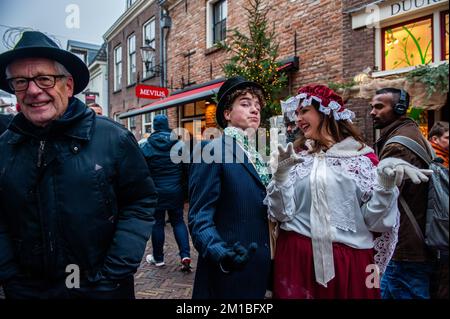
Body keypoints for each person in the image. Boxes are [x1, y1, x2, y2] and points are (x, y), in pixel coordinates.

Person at [0, 31, 157, 299]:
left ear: (68, 86)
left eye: (44, 79)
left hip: (102, 289)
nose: (34, 90)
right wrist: (10, 275)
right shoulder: (4, 147)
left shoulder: (113, 138)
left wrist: (113, 273)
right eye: (21, 81)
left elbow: (140, 200)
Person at [265, 84, 431, 299]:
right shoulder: (296, 157)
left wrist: (385, 187)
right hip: (297, 260)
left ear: (326, 112)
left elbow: (377, 223)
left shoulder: (362, 159)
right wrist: (281, 177)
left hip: (349, 264)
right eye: (296, 113)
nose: (297, 119)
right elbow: (281, 214)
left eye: (304, 111)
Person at [188, 76, 272, 299]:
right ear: (227, 114)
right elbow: (199, 218)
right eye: (245, 104)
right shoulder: (210, 149)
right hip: (227, 272)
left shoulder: (259, 156)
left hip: (259, 267)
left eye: (257, 105)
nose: (254, 110)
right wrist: (221, 253)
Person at [370, 87, 435, 299]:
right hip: (418, 241)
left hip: (405, 245)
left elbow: (387, 198)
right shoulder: (411, 133)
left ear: (398, 108)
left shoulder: (398, 144)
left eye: (379, 106)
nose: (372, 112)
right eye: (372, 107)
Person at [140, 114, 192, 271]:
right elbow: (187, 169)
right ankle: (185, 255)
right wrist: (184, 190)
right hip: (175, 191)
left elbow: (142, 171)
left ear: (154, 127)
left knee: (158, 223)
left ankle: (159, 258)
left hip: (156, 191)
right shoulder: (179, 145)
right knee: (178, 221)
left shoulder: (145, 145)